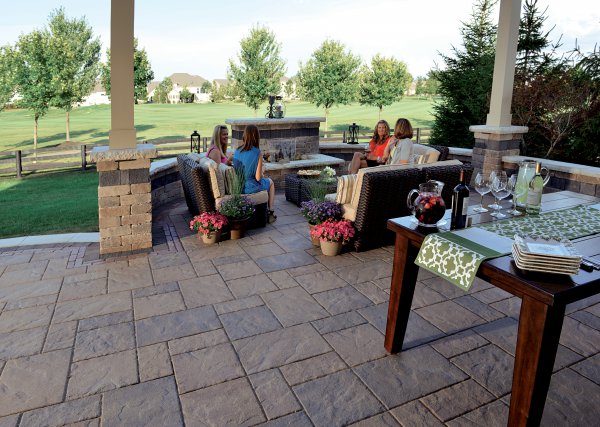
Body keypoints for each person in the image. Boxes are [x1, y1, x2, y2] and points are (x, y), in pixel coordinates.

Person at [233, 125, 277, 223]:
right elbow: (258, 178)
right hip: (250, 187)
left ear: (245, 135)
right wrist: (262, 175)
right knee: (270, 182)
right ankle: (271, 212)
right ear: (256, 136)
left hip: (239, 187)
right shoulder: (257, 153)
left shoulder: (237, 150)